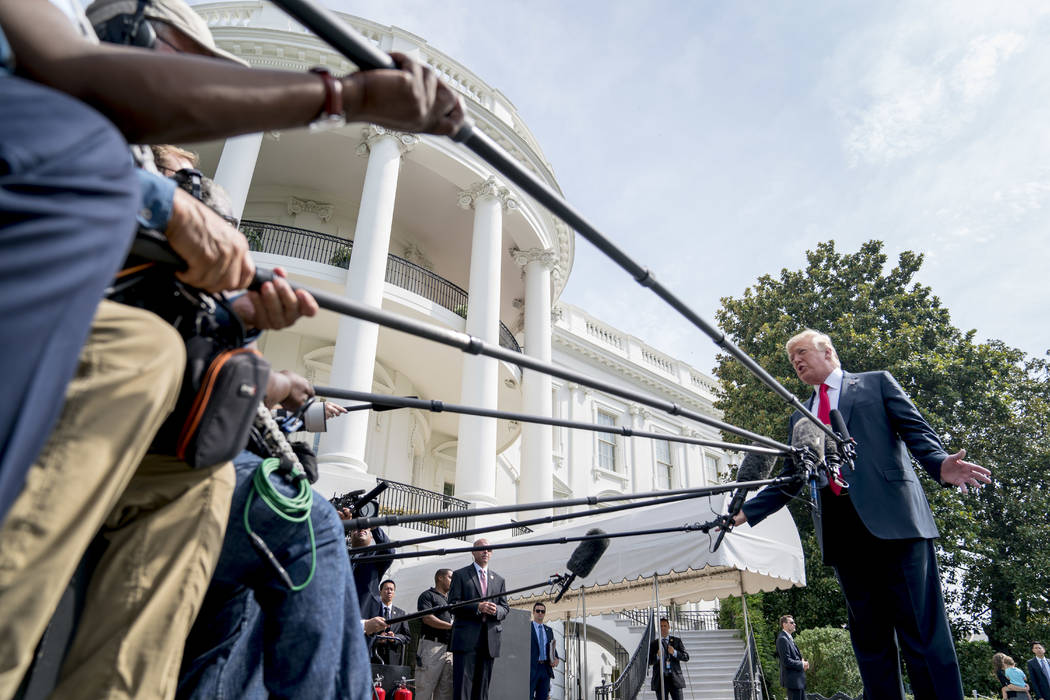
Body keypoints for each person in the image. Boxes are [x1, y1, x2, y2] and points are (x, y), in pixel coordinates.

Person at [0, 0, 463, 693]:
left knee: (205, 477)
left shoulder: (127, 160)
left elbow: (180, 331)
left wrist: (240, 321)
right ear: (128, 37)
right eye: (182, 63)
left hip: (169, 430)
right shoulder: (85, 133)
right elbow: (70, 106)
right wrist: (343, 97)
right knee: (296, 515)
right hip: (76, 361)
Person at [734, 329, 991, 700]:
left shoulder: (876, 384)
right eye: (792, 360)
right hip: (843, 534)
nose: (796, 362)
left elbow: (916, 431)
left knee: (921, 633)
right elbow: (793, 478)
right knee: (870, 643)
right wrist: (744, 513)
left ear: (828, 351)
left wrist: (939, 464)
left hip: (897, 522)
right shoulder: (800, 417)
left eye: (802, 352)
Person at [176, 369, 372, 699]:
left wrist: (296, 409)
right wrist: (277, 384)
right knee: (314, 521)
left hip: (208, 452)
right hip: (194, 452)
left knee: (251, 605)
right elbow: (219, 381)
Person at [448, 538, 508, 700]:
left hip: (489, 641)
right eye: (482, 548)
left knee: (482, 691)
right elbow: (452, 605)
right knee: (463, 689)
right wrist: (477, 607)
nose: (486, 552)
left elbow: (505, 608)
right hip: (466, 640)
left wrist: (496, 610)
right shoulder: (460, 575)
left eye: (489, 549)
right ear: (473, 552)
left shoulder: (499, 580)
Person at [416, 568, 454, 700]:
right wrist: (451, 627)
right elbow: (427, 618)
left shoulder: (451, 600)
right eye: (450, 577)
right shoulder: (427, 596)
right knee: (425, 689)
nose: (453, 581)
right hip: (432, 647)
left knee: (445, 693)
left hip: (449, 650)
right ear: (440, 578)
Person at [647, 617, 689, 700]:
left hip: (675, 679)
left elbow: (686, 657)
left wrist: (675, 652)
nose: (663, 628)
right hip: (660, 680)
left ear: (669, 627)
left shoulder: (677, 641)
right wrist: (657, 656)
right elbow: (648, 661)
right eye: (661, 626)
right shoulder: (654, 644)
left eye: (665, 626)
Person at [371, 579, 411, 665]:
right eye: (386, 589)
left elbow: (407, 637)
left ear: (394, 593)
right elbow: (365, 632)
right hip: (374, 657)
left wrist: (394, 638)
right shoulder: (372, 611)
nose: (389, 592)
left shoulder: (401, 613)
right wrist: (377, 639)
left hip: (393, 659)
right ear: (380, 592)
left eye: (391, 589)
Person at [529, 601, 559, 700]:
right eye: (538, 611)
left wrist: (556, 658)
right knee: (528, 696)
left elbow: (552, 647)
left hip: (545, 669)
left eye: (542, 611)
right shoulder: (527, 627)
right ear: (533, 612)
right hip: (532, 667)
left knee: (542, 697)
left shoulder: (549, 630)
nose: (540, 613)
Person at [775, 615, 808, 700]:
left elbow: (794, 657)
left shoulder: (788, 638)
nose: (794, 624)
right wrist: (801, 664)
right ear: (784, 624)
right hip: (793, 682)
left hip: (798, 681)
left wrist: (802, 662)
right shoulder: (782, 639)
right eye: (792, 623)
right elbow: (786, 661)